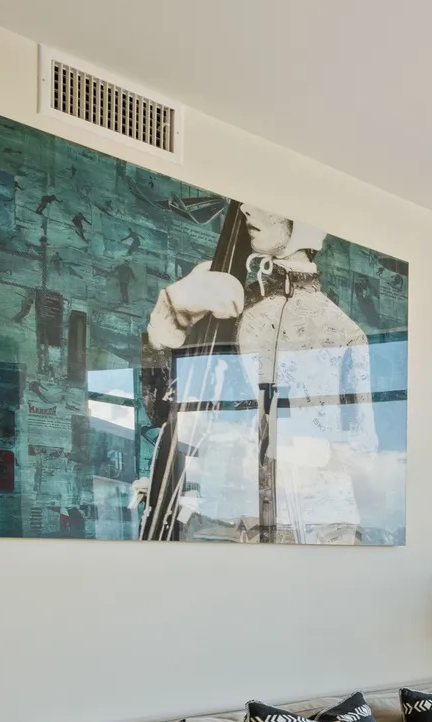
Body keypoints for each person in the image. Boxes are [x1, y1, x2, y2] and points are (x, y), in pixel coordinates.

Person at [140, 206, 377, 543]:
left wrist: (306, 452)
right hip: (224, 524)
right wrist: (168, 318)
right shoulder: (223, 305)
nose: (247, 209)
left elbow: (364, 453)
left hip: (320, 531)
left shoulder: (346, 333)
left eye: (266, 205)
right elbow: (162, 414)